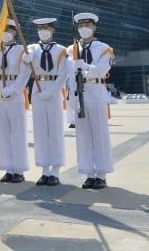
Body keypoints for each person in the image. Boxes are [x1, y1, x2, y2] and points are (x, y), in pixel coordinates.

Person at [68, 12, 115, 190]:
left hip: (96, 91)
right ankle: (88, 173)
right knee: (83, 136)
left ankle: (101, 174)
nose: (84, 29)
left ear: (94, 27)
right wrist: (72, 95)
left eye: (87, 25)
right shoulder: (70, 49)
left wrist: (86, 67)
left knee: (99, 134)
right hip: (79, 94)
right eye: (80, 26)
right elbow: (68, 74)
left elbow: (103, 69)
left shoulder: (103, 48)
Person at [22, 18, 69, 186]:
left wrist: (52, 91)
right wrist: (25, 60)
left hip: (54, 91)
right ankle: (44, 170)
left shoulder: (62, 50)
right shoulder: (31, 49)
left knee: (54, 131)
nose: (43, 31)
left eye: (46, 28)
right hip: (38, 89)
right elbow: (25, 72)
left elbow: (63, 74)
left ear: (53, 30)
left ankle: (55, 170)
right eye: (40, 28)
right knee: (40, 132)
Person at [0, 19, 31, 183]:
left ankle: (19, 169)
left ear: (15, 32)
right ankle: (8, 168)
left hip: (15, 95)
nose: (6, 33)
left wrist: (14, 89)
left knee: (17, 133)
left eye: (9, 30)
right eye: (3, 29)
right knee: (3, 134)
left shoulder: (22, 50)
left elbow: (25, 73)